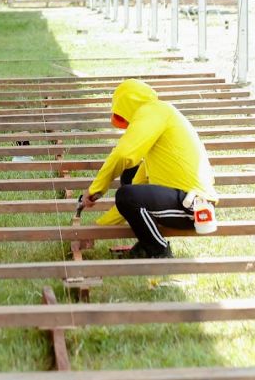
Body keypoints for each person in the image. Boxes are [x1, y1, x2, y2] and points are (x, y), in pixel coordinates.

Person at [81, 78, 218, 258]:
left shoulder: (153, 111)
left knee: (127, 194)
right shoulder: (160, 123)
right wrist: (97, 228)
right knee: (129, 183)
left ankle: (159, 250)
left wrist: (94, 191)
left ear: (126, 106)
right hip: (188, 202)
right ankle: (145, 244)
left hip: (194, 207)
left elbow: (123, 155)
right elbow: (132, 196)